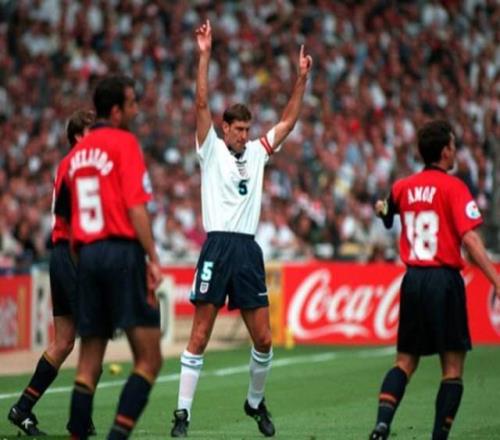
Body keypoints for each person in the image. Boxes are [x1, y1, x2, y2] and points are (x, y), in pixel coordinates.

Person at [170, 20, 312, 438]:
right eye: (239, 130)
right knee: (200, 334)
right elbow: (200, 103)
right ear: (225, 129)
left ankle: (254, 402)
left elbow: (288, 122)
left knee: (264, 339)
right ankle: (182, 414)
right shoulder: (210, 149)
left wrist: (301, 79)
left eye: (249, 130)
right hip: (217, 247)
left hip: (248, 251)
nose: (245, 136)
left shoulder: (257, 153)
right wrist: (204, 55)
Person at [368, 119, 500, 440]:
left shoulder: (403, 187)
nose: (455, 151)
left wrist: (382, 209)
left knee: (404, 363)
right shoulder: (454, 187)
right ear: (444, 152)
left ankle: (382, 424)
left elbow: (386, 211)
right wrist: (497, 281)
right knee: (452, 369)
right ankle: (438, 437)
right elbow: (470, 240)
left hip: (413, 281)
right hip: (444, 280)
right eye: (453, 146)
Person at [57, 75, 163, 440]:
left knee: (87, 365)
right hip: (122, 253)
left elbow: (66, 220)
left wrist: (83, 258)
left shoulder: (74, 157)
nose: (136, 110)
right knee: (149, 359)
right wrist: (152, 258)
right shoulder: (124, 142)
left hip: (87, 256)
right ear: (116, 111)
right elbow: (136, 207)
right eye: (132, 104)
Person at [7, 109, 96, 436]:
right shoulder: (77, 165)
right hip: (73, 255)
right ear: (78, 136)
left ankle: (23, 408)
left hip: (63, 254)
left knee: (64, 341)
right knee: (93, 336)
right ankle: (80, 416)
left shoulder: (72, 165)